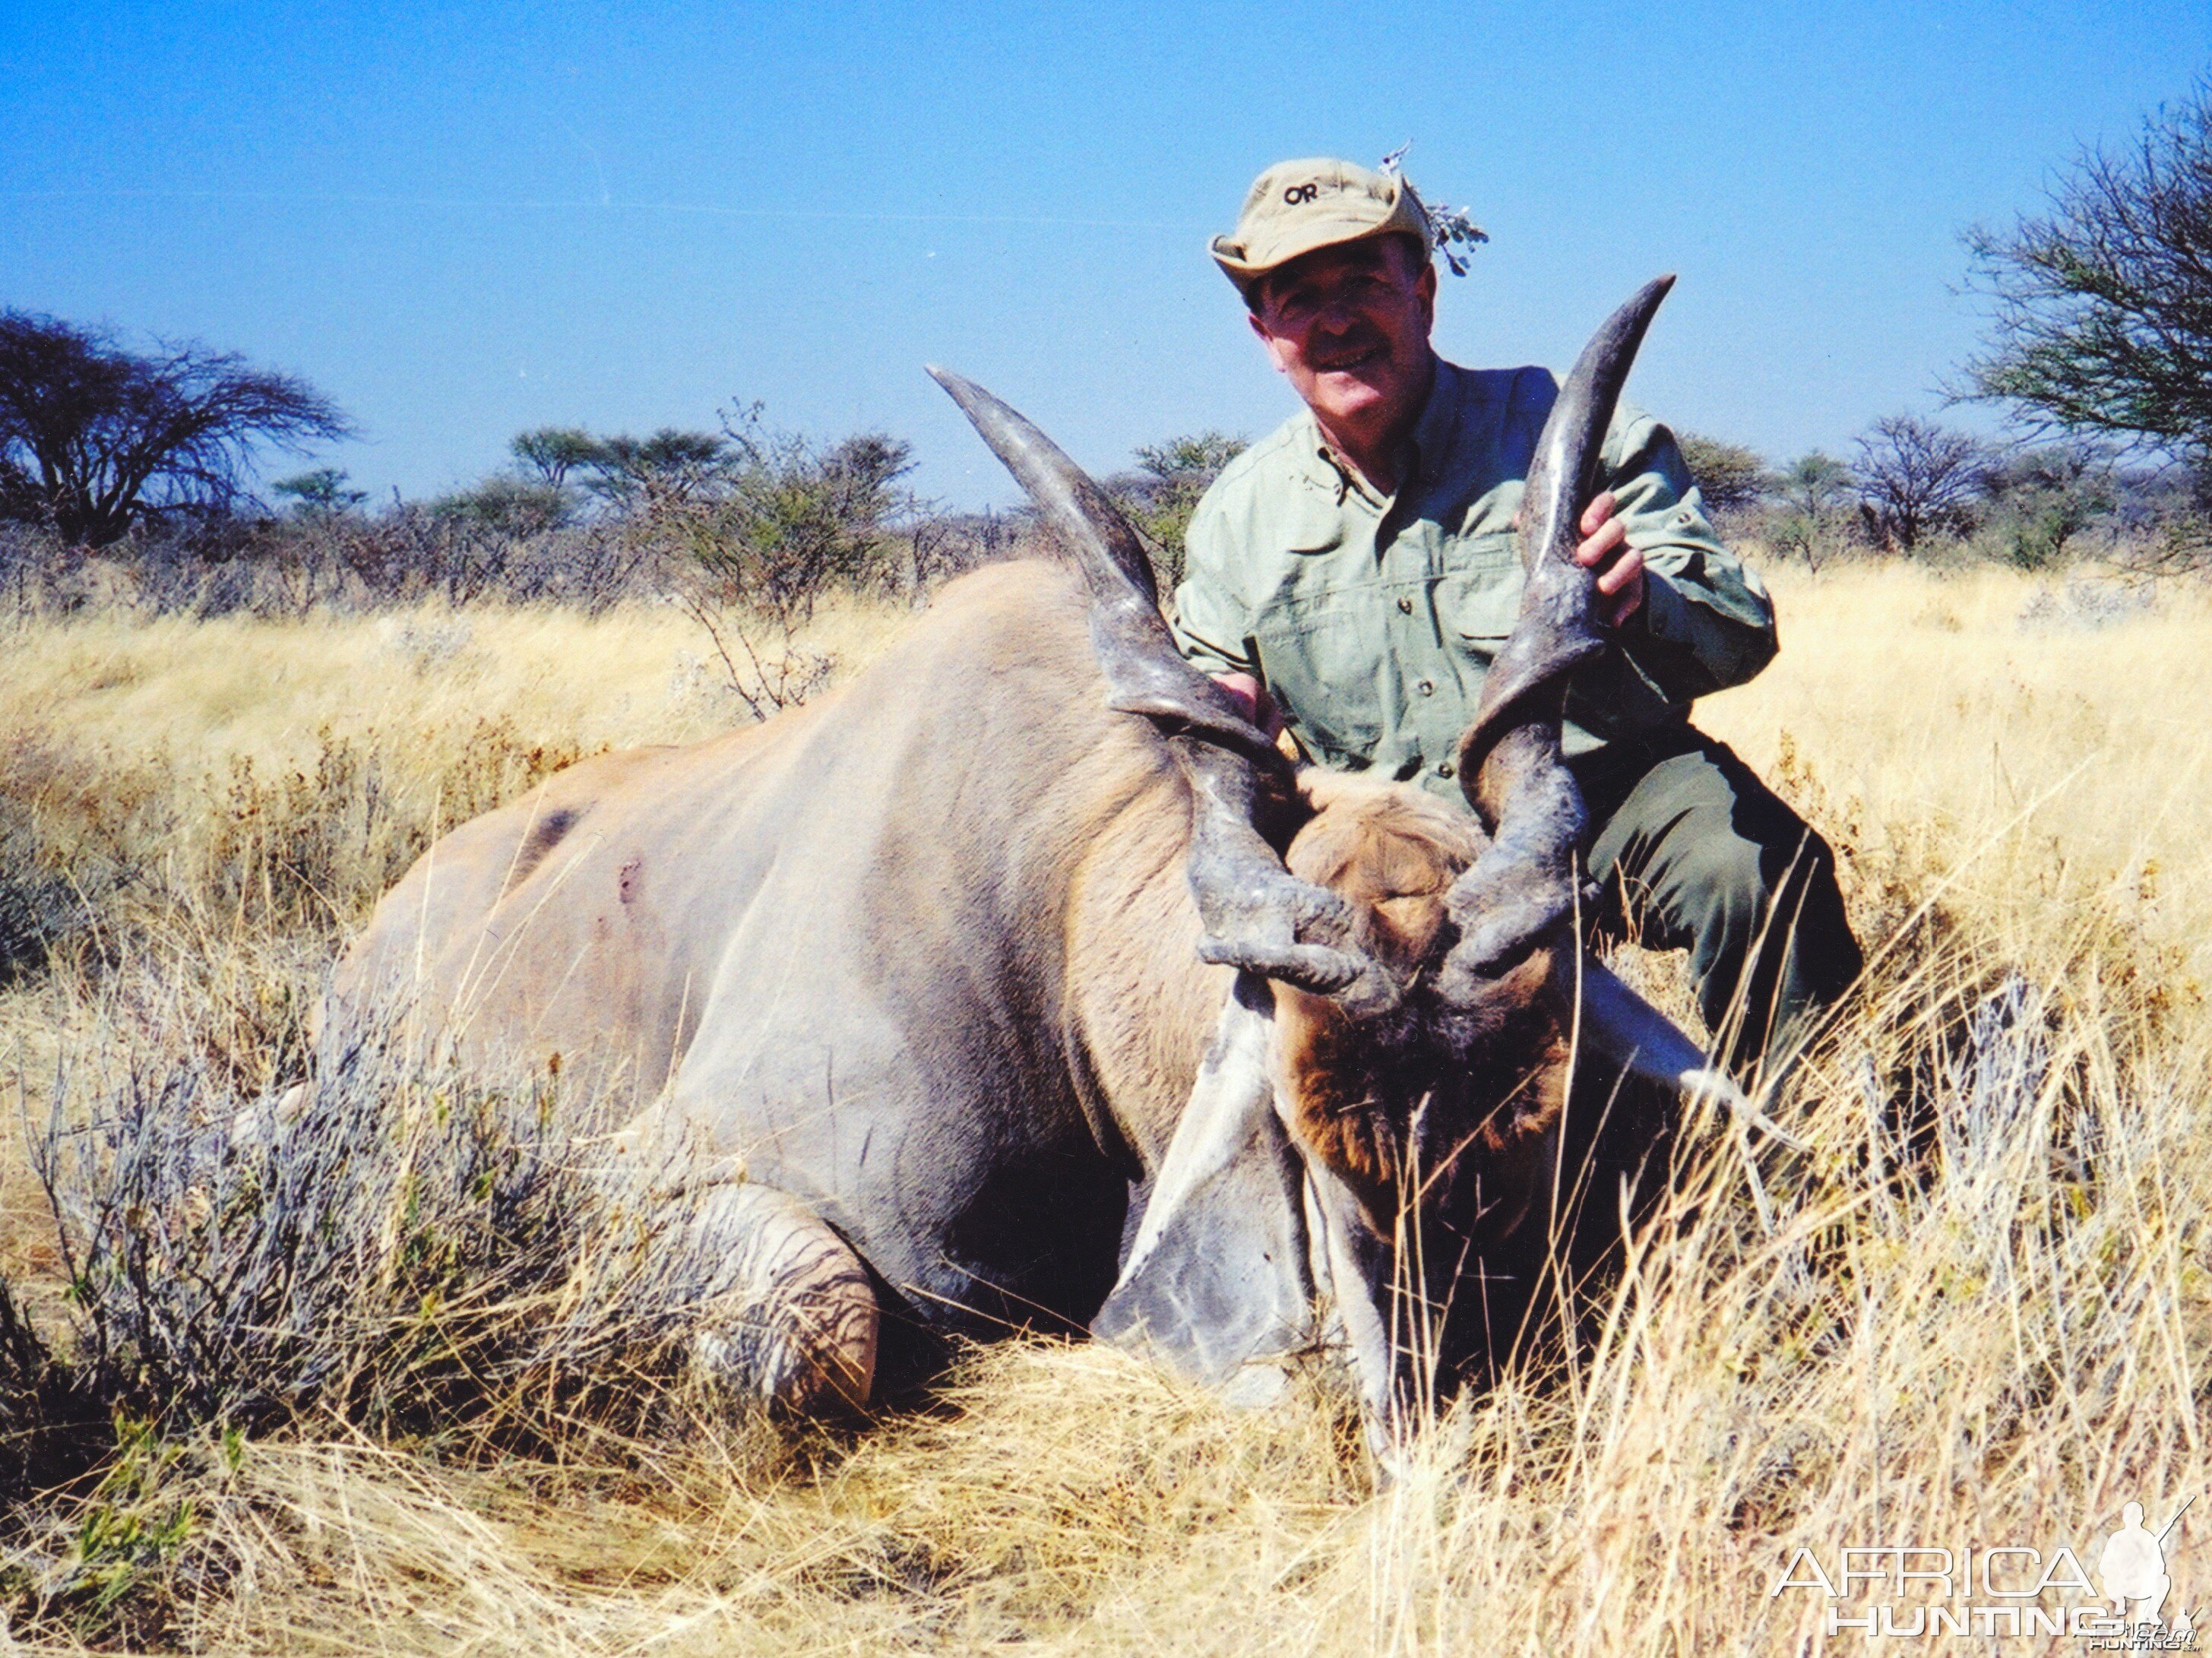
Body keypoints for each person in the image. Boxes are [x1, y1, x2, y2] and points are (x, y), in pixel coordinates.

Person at [1171, 157, 1862, 1078]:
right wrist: (1218, 720)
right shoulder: (1235, 514)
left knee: (1761, 876)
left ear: (1421, 292)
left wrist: (1640, 598)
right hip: (1383, 847)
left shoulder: (1575, 430)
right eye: (1299, 297)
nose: (1334, 318)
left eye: (1363, 282)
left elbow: (1739, 630)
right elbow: (1207, 703)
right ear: (1266, 333)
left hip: (1598, 788)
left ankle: (1791, 1172)